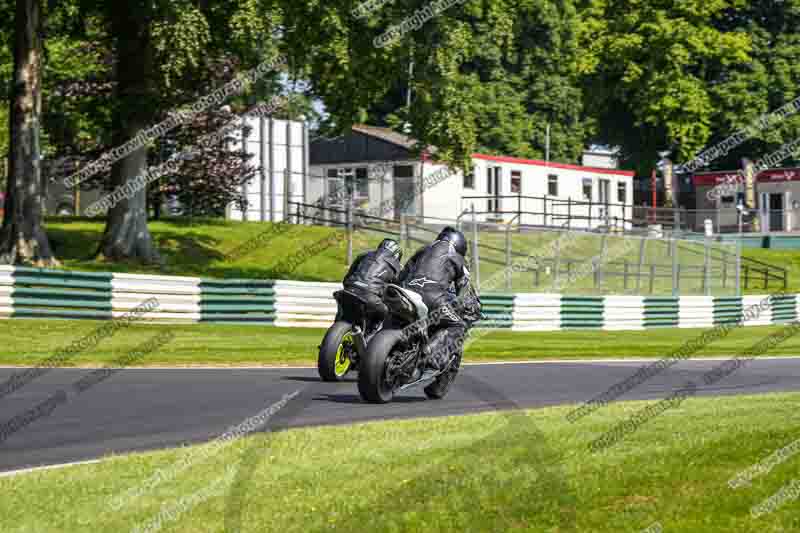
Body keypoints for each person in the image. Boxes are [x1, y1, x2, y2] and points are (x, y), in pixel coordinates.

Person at [399, 227, 482, 371]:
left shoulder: (422, 250)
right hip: (433, 298)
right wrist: (468, 307)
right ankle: (433, 354)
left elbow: (402, 275)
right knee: (458, 326)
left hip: (406, 293)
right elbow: (464, 291)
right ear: (460, 246)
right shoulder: (458, 258)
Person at [340, 238, 403, 335]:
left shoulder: (363, 256)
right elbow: (397, 290)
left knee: (342, 309)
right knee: (387, 315)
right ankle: (372, 340)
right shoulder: (397, 266)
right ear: (397, 254)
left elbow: (347, 278)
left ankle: (332, 337)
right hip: (371, 298)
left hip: (348, 290)